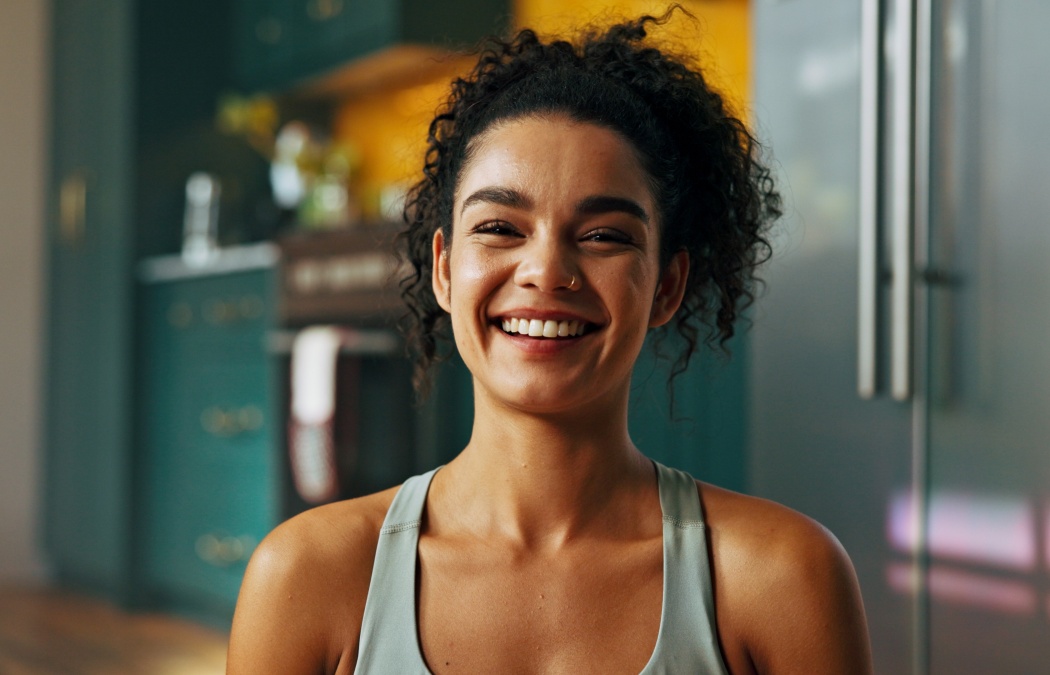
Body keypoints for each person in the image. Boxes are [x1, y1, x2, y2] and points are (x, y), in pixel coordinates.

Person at [227, 10, 873, 674]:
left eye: (603, 236)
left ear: (667, 286)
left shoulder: (784, 578)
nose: (545, 271)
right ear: (444, 269)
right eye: (500, 227)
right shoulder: (304, 578)